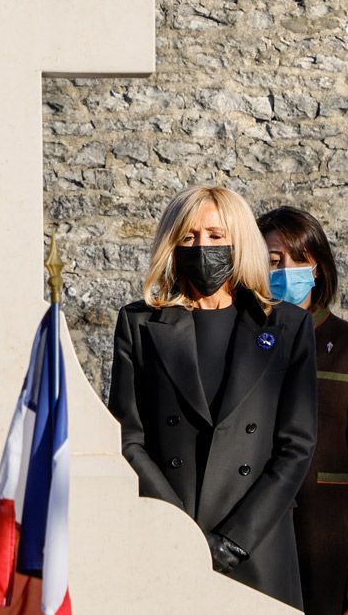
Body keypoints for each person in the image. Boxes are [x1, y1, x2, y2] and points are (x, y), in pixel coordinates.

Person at [110, 185, 318, 608]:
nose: (202, 246)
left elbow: (295, 446)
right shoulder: (139, 324)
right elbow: (129, 438)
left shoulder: (287, 326)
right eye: (189, 236)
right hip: (167, 542)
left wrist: (234, 540)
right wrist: (178, 533)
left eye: (215, 235)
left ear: (238, 240)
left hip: (255, 546)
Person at [257, 207, 348, 615]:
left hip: (329, 536)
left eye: (299, 259)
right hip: (257, 531)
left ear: (318, 267)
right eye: (274, 261)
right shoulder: (244, 339)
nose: (286, 270)